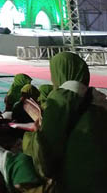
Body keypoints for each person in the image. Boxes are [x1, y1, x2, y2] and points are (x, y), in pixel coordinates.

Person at [25, 52, 107, 192]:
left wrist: (31, 137)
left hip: (76, 181)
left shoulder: (60, 100)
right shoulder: (99, 101)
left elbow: (46, 153)